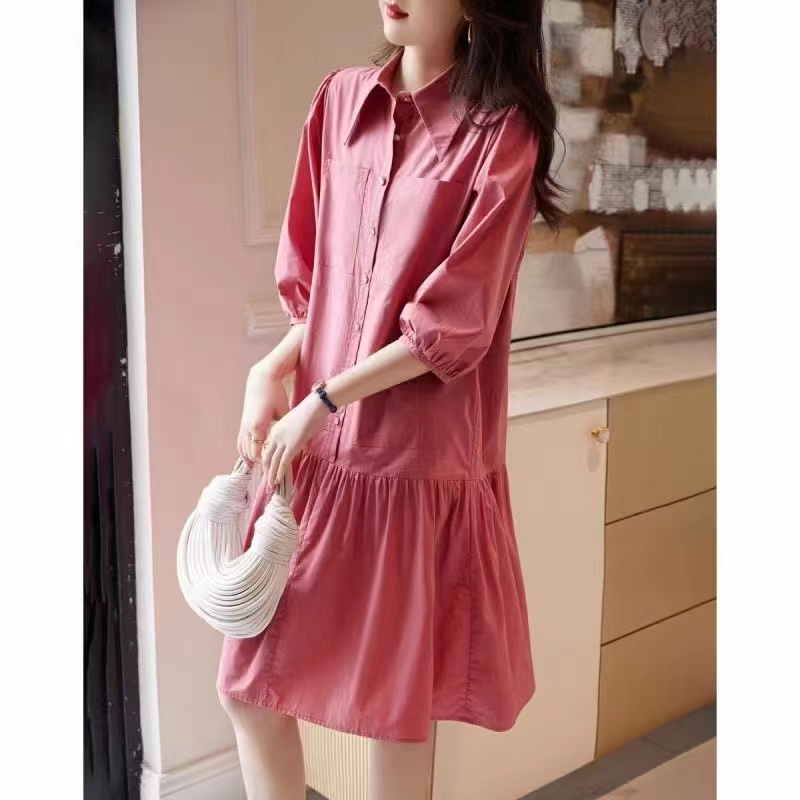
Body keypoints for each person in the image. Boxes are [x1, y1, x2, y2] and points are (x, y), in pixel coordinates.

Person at [217, 1, 564, 798]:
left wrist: (322, 399)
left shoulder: (501, 135)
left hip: (410, 464)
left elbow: (453, 326)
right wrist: (269, 371)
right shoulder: (339, 102)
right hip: (317, 460)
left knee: (395, 724)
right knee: (247, 688)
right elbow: (323, 292)